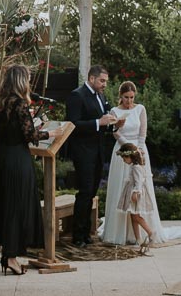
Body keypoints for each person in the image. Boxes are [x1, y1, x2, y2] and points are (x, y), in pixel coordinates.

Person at [101, 80, 181, 245]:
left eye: (131, 97)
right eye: (126, 97)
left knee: (139, 184)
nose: (129, 100)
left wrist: (138, 149)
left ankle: (144, 231)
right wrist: (127, 147)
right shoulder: (114, 111)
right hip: (123, 150)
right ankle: (119, 231)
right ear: (120, 96)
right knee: (121, 187)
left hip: (139, 150)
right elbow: (115, 132)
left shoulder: (140, 109)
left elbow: (143, 131)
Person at [0, 65, 62, 275]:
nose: (29, 82)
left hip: (3, 158)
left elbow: (2, 133)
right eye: (27, 78)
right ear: (20, 81)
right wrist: (51, 133)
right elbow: (29, 136)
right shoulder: (19, 104)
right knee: (18, 206)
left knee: (7, 204)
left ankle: (8, 255)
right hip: (18, 158)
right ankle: (11, 257)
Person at [65, 64, 122, 246]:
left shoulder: (101, 96)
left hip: (97, 152)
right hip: (83, 152)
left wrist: (114, 124)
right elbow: (73, 124)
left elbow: (103, 120)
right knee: (85, 192)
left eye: (106, 81)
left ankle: (87, 233)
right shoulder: (77, 95)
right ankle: (78, 236)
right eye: (102, 80)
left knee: (92, 193)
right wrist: (99, 122)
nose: (105, 84)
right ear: (91, 79)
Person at [113, 143, 155, 253]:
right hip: (132, 192)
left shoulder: (136, 167)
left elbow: (139, 181)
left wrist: (135, 192)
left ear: (130, 156)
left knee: (136, 217)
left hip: (135, 194)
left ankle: (150, 232)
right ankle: (138, 240)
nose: (123, 160)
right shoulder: (134, 166)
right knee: (133, 217)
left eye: (124, 158)